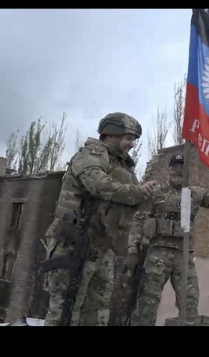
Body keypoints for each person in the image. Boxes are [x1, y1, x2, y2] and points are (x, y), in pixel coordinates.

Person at [40, 112, 157, 326]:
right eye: (128, 138)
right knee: (65, 312)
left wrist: (146, 194)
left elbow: (132, 199)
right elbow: (99, 186)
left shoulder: (123, 167)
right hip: (74, 243)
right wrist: (137, 192)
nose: (131, 144)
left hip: (102, 247)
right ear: (112, 134)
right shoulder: (91, 154)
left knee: (97, 312)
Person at [126, 153, 209, 326]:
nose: (178, 170)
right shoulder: (157, 192)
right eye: (175, 167)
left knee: (189, 304)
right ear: (169, 169)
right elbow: (138, 219)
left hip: (184, 256)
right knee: (147, 304)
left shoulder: (195, 194)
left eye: (182, 167)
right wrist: (132, 249)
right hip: (158, 254)